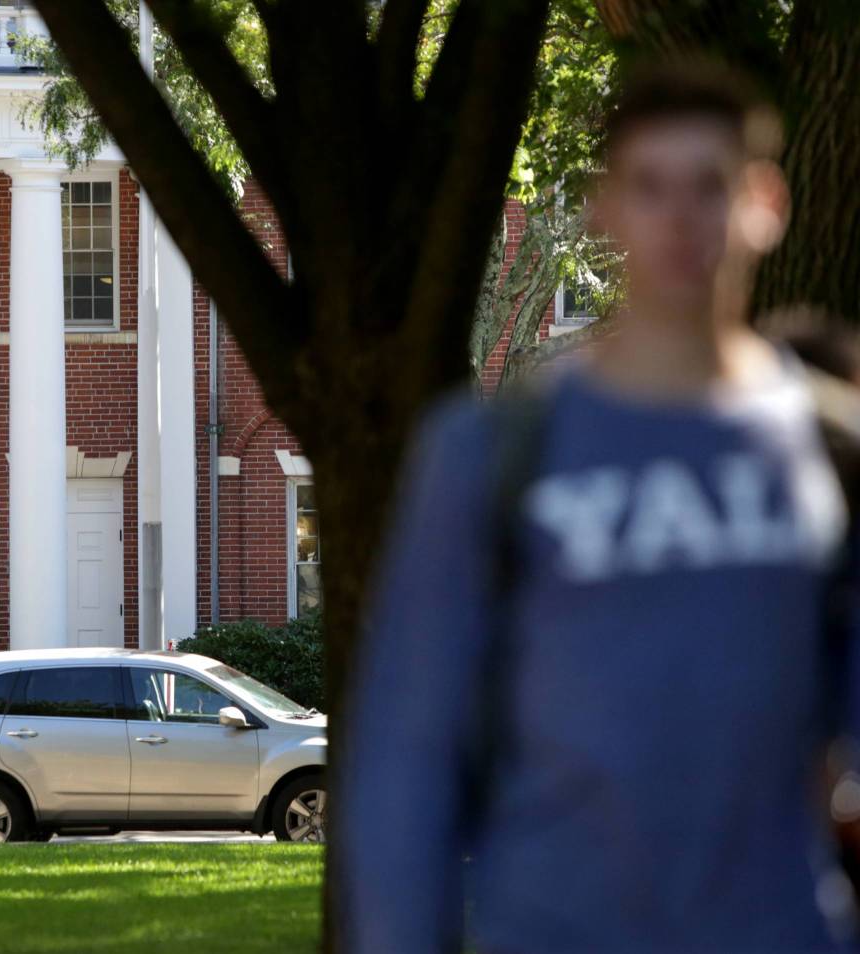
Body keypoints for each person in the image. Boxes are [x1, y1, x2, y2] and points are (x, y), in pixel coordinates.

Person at [338, 62, 860, 952]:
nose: (682, 219)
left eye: (711, 185)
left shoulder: (833, 450)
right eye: (650, 186)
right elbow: (407, 759)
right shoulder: (484, 453)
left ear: (764, 204)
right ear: (602, 207)